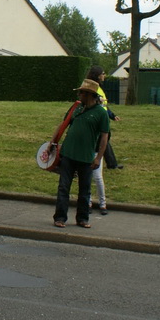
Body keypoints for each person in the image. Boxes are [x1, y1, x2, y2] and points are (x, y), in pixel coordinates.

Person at [52, 79, 109, 229]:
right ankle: (60, 218)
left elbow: (104, 138)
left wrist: (98, 158)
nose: (79, 95)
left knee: (84, 190)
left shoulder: (101, 113)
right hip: (68, 154)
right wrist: (52, 143)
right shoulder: (76, 108)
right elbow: (63, 125)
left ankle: (82, 219)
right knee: (63, 187)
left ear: (90, 95)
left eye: (81, 92)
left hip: (86, 158)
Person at [86, 65, 120, 215]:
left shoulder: (99, 88)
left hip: (102, 125)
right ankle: (89, 202)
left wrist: (112, 115)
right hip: (96, 128)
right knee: (89, 176)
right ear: (97, 75)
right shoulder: (93, 88)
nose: (105, 75)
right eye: (103, 73)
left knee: (97, 176)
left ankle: (102, 203)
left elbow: (104, 106)